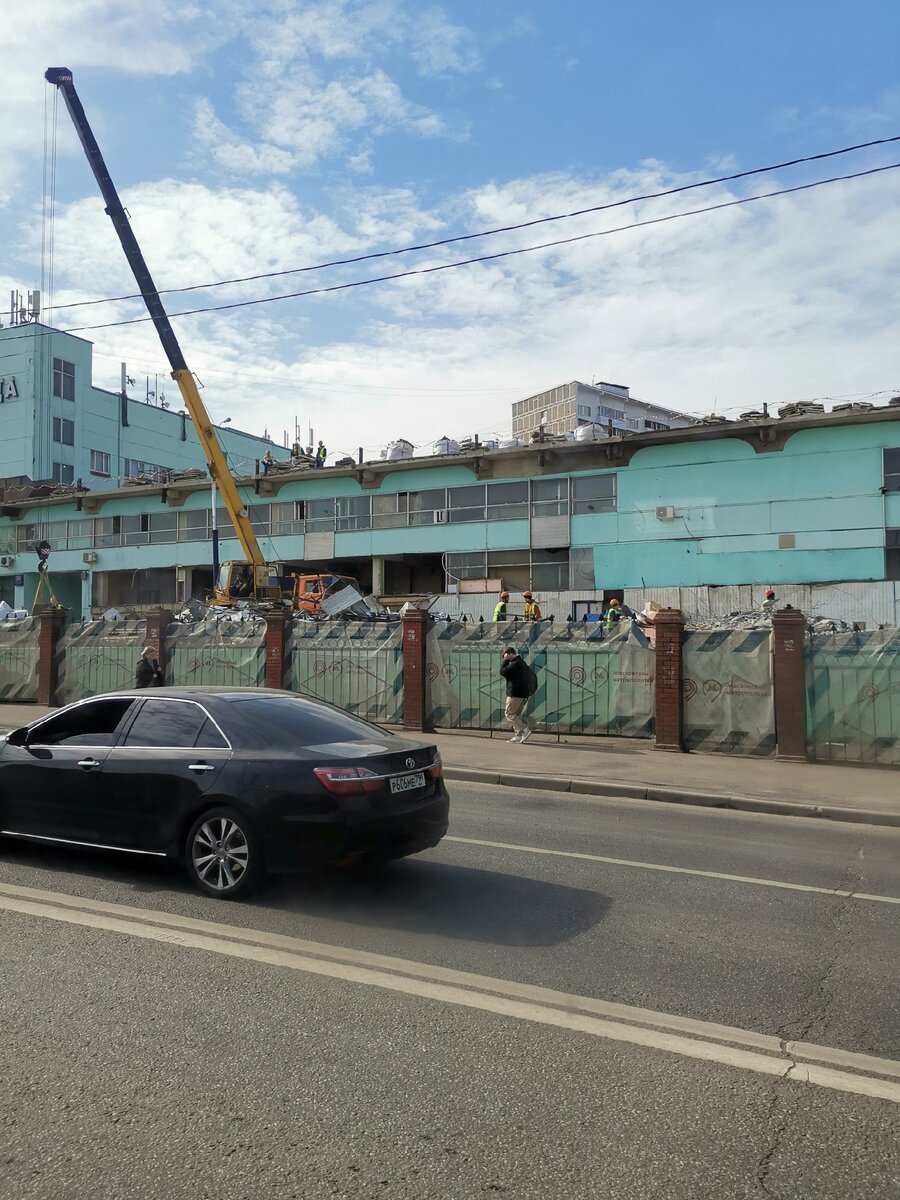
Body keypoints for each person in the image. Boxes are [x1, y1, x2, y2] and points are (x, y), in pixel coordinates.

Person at [499, 646, 533, 743]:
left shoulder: (515, 664)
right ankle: (518, 735)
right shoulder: (522, 663)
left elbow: (503, 672)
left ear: (509, 654)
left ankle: (524, 730)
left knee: (509, 714)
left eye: (505, 656)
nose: (505, 658)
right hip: (523, 694)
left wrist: (505, 661)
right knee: (516, 715)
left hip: (515, 693)